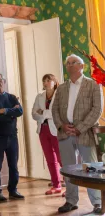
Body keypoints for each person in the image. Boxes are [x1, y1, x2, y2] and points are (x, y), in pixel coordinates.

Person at [52, 54, 103, 214]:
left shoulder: (93, 84)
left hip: (85, 133)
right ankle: (71, 201)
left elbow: (97, 109)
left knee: (91, 169)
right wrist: (62, 125)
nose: (69, 65)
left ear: (82, 66)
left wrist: (80, 127)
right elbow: (54, 109)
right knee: (68, 169)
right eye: (67, 63)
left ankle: (98, 202)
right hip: (65, 133)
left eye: (73, 63)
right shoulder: (61, 88)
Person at [0, 73, 25, 202]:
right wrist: (11, 112)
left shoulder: (12, 97)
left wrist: (4, 111)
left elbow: (20, 111)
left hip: (12, 136)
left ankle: (13, 190)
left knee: (13, 165)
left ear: (4, 81)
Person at [32, 74, 64, 195]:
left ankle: (70, 187)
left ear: (55, 82)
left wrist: (43, 112)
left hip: (56, 130)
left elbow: (59, 113)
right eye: (44, 80)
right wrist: (46, 114)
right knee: (50, 159)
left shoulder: (60, 95)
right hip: (43, 130)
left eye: (48, 80)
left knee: (62, 158)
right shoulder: (39, 97)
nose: (46, 82)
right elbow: (33, 114)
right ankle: (56, 185)